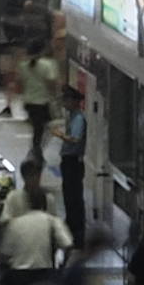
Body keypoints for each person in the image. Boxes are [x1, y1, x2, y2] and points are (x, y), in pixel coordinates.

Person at [20, 38, 60, 161]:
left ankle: (36, 149)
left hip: (29, 101)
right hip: (42, 102)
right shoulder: (48, 64)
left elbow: (22, 83)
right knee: (43, 129)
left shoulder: (23, 65)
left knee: (38, 128)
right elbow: (51, 83)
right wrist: (56, 97)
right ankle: (36, 151)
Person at [57, 85, 87, 243]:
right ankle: (72, 224)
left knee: (73, 196)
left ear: (74, 101)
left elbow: (75, 139)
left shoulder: (78, 118)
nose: (64, 103)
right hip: (69, 161)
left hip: (73, 162)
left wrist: (60, 135)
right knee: (69, 195)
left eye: (66, 100)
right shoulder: (73, 117)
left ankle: (76, 230)